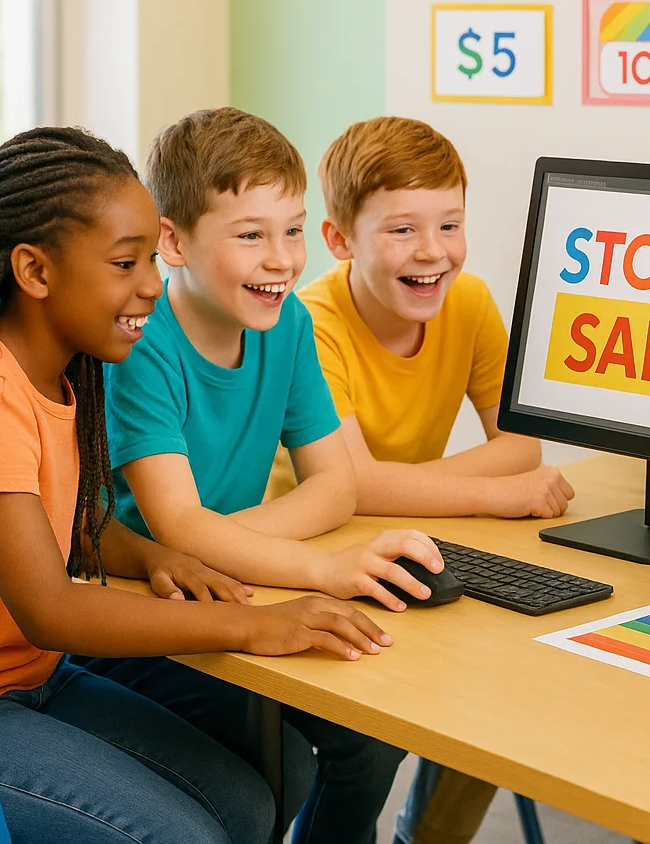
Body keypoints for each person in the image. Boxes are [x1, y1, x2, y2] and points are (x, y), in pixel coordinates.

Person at [0, 126, 392, 844]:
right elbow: (50, 608)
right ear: (35, 272)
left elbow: (73, 522)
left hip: (35, 680)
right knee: (182, 835)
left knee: (256, 797)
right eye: (123, 263)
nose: (148, 286)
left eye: (147, 260)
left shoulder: (64, 371)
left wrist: (152, 556)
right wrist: (255, 624)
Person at [93, 107, 443, 844]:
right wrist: (319, 566)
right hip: (138, 614)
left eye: (292, 229)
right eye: (251, 235)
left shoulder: (287, 325)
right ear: (174, 241)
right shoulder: (141, 345)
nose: (283, 259)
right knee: (281, 763)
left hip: (231, 579)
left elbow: (336, 485)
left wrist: (216, 540)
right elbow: (173, 528)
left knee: (372, 736)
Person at [264, 116, 575, 844]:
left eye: (450, 224)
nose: (433, 251)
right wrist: (490, 493)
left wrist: (399, 488)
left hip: (397, 544)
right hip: (298, 561)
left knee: (501, 688)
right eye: (402, 230)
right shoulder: (309, 321)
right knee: (369, 750)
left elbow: (523, 442)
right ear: (340, 241)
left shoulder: (467, 303)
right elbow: (349, 486)